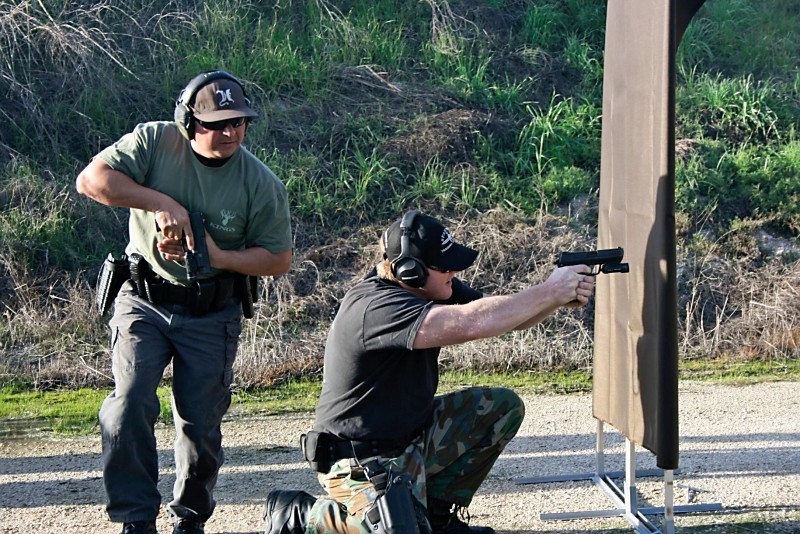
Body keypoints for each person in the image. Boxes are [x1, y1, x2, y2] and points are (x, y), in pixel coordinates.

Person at [263, 210, 595, 534]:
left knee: (500, 408)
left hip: (410, 440)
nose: (454, 271)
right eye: (444, 266)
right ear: (411, 271)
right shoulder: (375, 307)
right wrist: (549, 291)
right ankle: (306, 516)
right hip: (357, 458)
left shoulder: (430, 287)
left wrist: (556, 299)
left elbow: (501, 318)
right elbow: (470, 323)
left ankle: (437, 517)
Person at [76, 70, 293, 534]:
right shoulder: (156, 142)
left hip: (212, 312)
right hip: (145, 301)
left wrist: (219, 255)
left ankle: (190, 518)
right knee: (129, 403)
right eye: (218, 123)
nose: (230, 132)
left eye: (239, 122)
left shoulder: (260, 183)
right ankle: (136, 519)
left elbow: (278, 258)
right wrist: (161, 203)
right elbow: (91, 180)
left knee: (200, 427)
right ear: (188, 122)